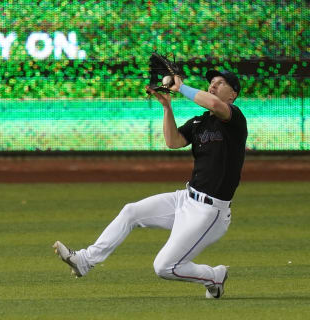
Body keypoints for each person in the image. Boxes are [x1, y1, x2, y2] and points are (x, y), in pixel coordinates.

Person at [53, 70, 247, 299]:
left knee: (165, 267)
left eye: (220, 83)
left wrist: (181, 88)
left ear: (232, 95)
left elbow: (215, 103)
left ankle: (214, 276)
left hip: (210, 212)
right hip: (185, 198)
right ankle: (86, 260)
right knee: (131, 212)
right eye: (211, 82)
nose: (213, 86)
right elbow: (173, 141)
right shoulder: (200, 122)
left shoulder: (234, 119)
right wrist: (167, 107)